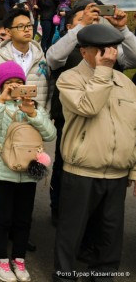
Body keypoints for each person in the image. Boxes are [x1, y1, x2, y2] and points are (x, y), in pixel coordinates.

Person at [53, 24, 136, 282]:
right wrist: (103, 72)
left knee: (111, 231)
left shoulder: (125, 82)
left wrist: (133, 170)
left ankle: (103, 276)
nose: (108, 54)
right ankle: (64, 275)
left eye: (112, 49)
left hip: (117, 171)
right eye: (101, 50)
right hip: (82, 169)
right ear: (84, 51)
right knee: (72, 228)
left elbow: (133, 127)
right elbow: (88, 107)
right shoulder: (69, 78)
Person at [0, 61, 55, 282]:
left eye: (18, 82)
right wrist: (1, 100)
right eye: (9, 83)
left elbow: (50, 134)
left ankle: (19, 259)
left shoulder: (34, 107)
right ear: (1, 85)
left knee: (23, 219)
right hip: (3, 171)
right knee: (2, 218)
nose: (14, 86)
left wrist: (32, 113)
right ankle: (0, 259)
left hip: (28, 172)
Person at [0, 9, 49, 110]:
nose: (27, 30)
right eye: (20, 26)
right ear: (8, 32)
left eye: (29, 25)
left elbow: (49, 91)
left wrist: (43, 115)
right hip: (7, 117)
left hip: (37, 116)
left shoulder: (41, 58)